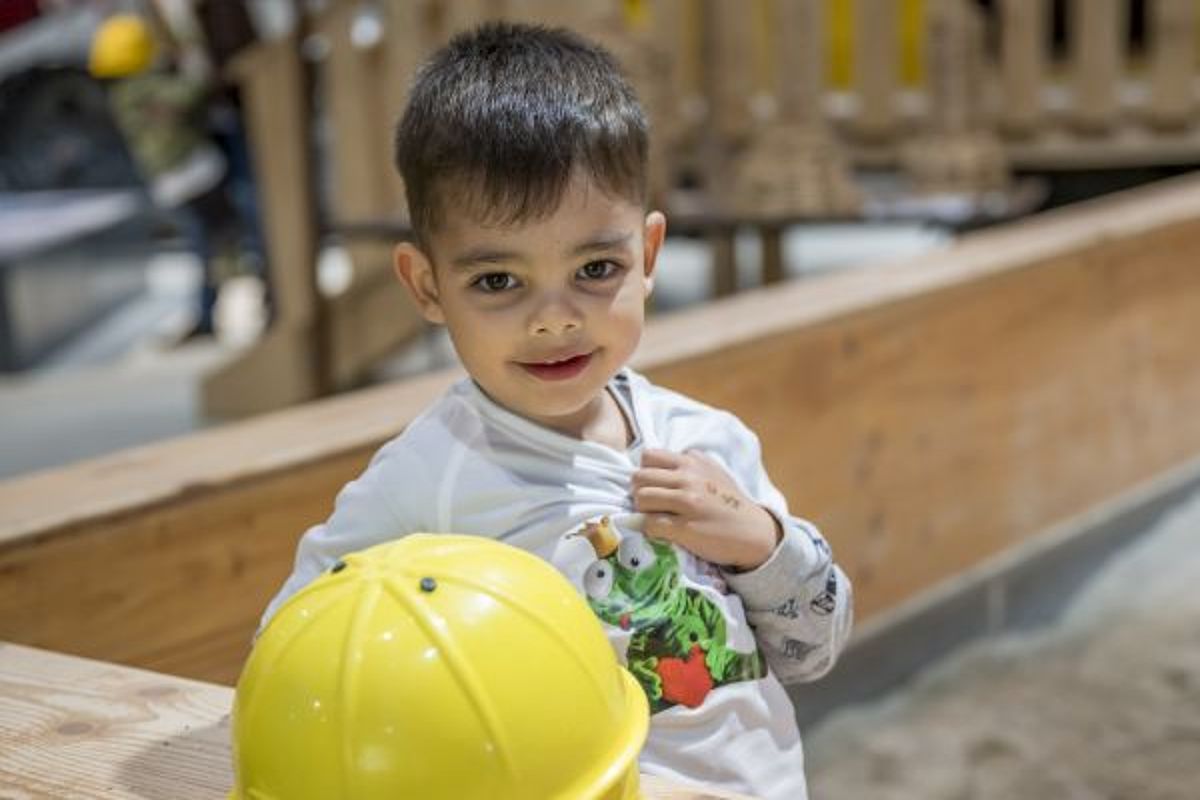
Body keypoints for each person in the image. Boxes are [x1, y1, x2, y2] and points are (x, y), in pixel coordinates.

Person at [262, 22, 852, 800]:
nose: (554, 318)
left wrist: (758, 541)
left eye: (595, 268)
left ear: (647, 257)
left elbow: (814, 651)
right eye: (498, 282)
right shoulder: (432, 476)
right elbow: (292, 641)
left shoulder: (709, 444)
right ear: (426, 286)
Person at [88, 12, 258, 341]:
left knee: (206, 238)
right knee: (225, 231)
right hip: (193, 174)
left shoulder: (120, 94)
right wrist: (195, 66)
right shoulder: (145, 88)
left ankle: (212, 301)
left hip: (174, 183)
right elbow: (187, 95)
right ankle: (231, 270)